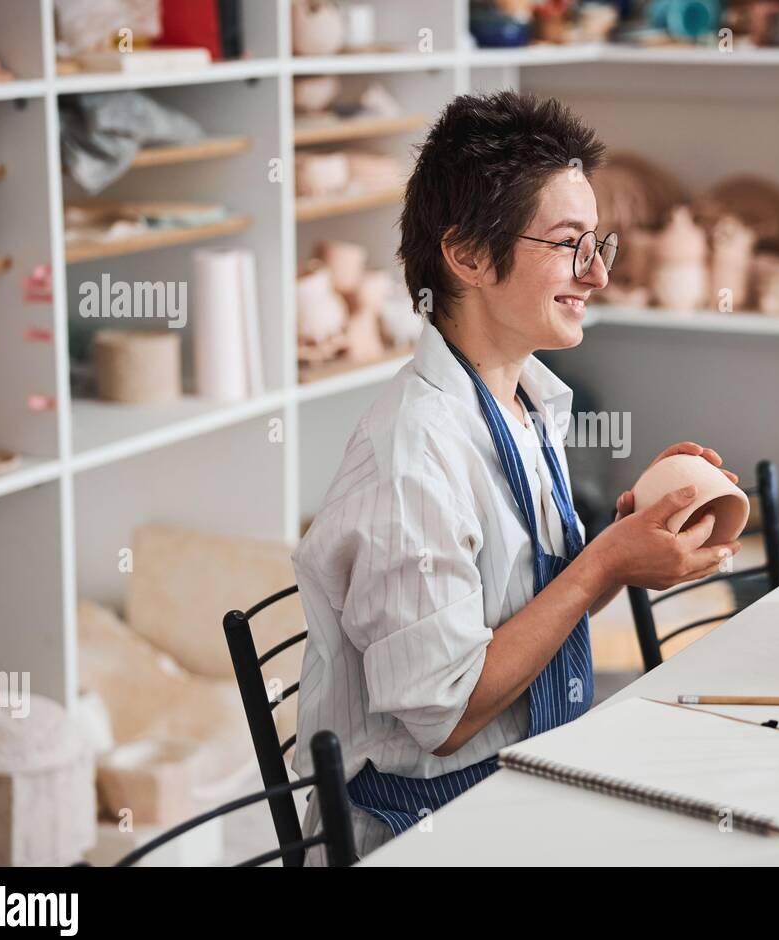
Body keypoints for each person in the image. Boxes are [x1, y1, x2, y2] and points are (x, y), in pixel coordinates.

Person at [292, 90, 741, 862]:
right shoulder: (413, 455)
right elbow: (451, 710)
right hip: (422, 834)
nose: (596, 273)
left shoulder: (524, 397)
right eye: (569, 244)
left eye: (599, 243)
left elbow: (511, 606)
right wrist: (604, 564)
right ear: (466, 255)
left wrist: (625, 540)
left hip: (515, 786)